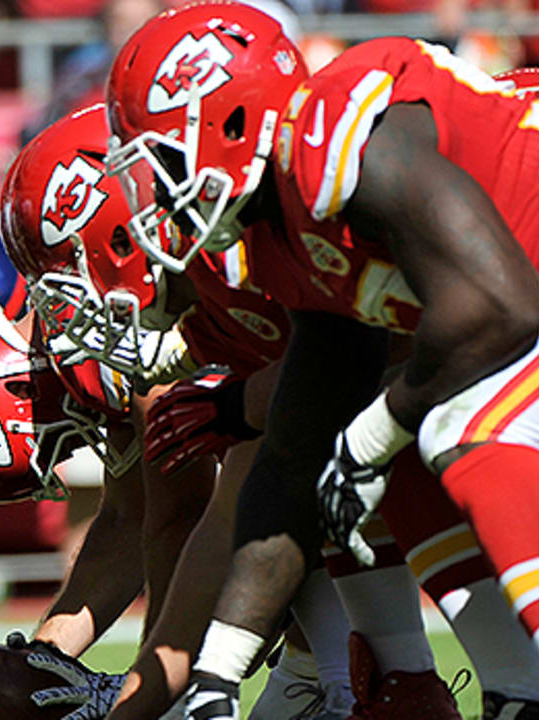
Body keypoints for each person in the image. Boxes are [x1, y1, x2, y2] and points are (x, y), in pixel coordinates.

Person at [104, 3, 539, 717]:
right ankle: (516, 690)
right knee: (349, 454)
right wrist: (218, 675)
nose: (155, 193)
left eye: (162, 158)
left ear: (231, 120)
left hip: (520, 303)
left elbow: (503, 307)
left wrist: (376, 433)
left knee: (452, 425)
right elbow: (292, 454)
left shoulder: (344, 134)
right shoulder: (286, 232)